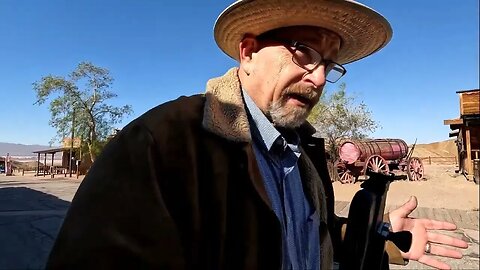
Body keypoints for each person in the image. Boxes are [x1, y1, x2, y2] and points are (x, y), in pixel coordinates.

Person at [46, 0, 468, 269]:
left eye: (330, 65)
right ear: (247, 52)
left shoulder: (303, 149)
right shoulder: (160, 143)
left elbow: (301, 236)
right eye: (304, 50)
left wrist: (378, 235)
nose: (319, 77)